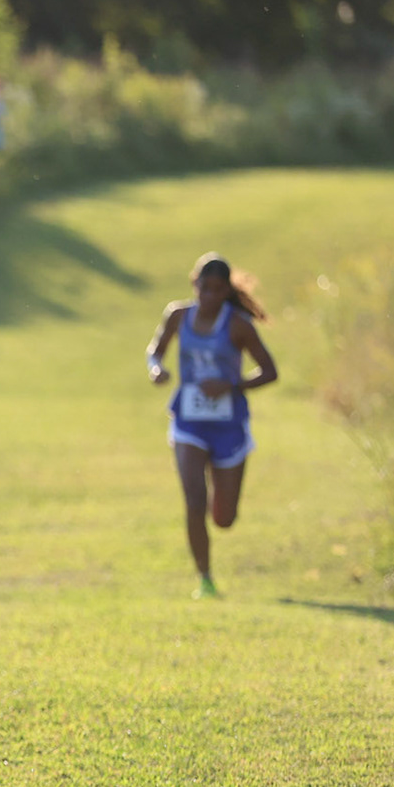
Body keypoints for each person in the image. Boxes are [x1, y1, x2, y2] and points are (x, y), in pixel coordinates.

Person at [146, 253, 279, 599]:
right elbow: (154, 350)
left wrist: (231, 385)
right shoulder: (178, 316)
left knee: (223, 518)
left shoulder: (237, 325)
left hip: (228, 426)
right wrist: (156, 369)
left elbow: (270, 371)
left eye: (218, 290)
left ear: (225, 292)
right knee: (193, 500)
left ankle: (214, 496)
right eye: (204, 288)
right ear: (195, 285)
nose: (209, 296)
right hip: (189, 422)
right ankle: (204, 579)